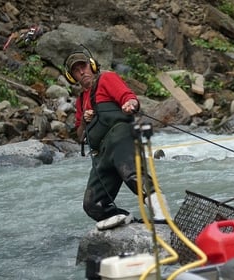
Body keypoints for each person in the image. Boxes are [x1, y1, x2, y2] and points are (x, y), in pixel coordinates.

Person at [65, 49, 164, 227]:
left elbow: (129, 97)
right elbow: (80, 136)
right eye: (76, 70)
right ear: (72, 77)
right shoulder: (80, 101)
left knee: (133, 176)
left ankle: (161, 213)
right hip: (101, 154)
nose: (82, 72)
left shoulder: (107, 78)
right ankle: (128, 221)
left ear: (92, 66)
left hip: (121, 137)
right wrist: (84, 123)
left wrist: (129, 104)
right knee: (92, 204)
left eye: (84, 66)